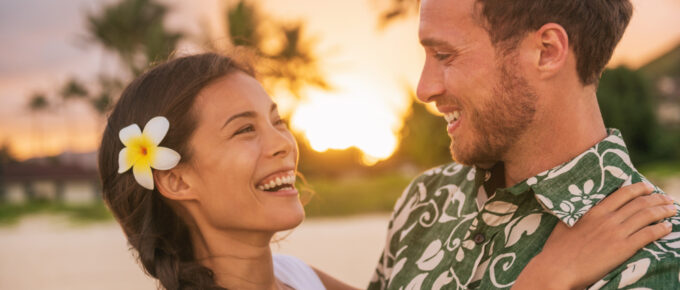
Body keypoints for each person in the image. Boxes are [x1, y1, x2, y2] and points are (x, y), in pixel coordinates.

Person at [98, 53, 672, 290]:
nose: (281, 145)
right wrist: (544, 279)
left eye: (276, 121)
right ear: (175, 179)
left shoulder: (295, 277)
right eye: (244, 130)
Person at [368, 0, 680, 289]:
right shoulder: (427, 196)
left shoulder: (658, 260)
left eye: (444, 55)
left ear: (547, 51)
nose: (425, 89)